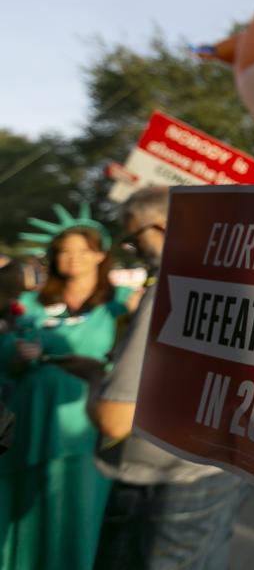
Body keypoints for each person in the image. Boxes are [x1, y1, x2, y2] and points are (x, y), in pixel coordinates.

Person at [57, 186, 248, 569]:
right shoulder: (232, 278)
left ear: (161, 227)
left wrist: (95, 375)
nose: (132, 249)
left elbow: (115, 418)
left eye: (134, 238)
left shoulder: (172, 285)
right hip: (214, 469)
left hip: (164, 484)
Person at [0, 211, 131, 570]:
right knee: (19, 511)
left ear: (101, 255)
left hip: (84, 429)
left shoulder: (122, 305)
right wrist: (16, 355)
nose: (72, 258)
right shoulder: (28, 305)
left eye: (82, 251)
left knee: (75, 514)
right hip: (28, 423)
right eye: (64, 251)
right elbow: (4, 363)